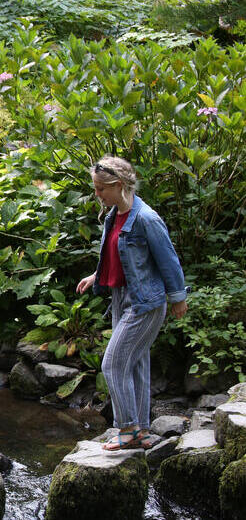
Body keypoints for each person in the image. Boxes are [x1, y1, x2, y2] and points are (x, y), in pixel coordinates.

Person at [76, 156, 187, 451]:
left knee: (112, 364)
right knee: (135, 363)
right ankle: (142, 430)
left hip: (145, 303)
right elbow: (121, 257)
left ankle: (126, 428)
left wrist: (178, 298)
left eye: (101, 189)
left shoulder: (146, 219)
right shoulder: (114, 215)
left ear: (120, 185)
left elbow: (169, 261)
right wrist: (96, 275)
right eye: (96, 188)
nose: (97, 194)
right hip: (121, 297)